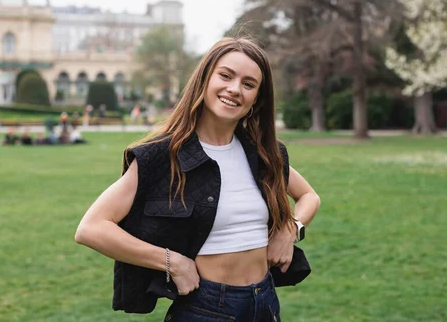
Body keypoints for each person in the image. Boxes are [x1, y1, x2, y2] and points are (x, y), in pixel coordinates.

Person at [75, 36, 321, 321]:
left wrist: (291, 229)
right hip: (206, 308)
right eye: (225, 76)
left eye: (248, 84)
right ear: (205, 79)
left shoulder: (264, 154)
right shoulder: (162, 156)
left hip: (264, 301)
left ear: (257, 99)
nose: (234, 89)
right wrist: (172, 263)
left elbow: (309, 197)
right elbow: (91, 228)